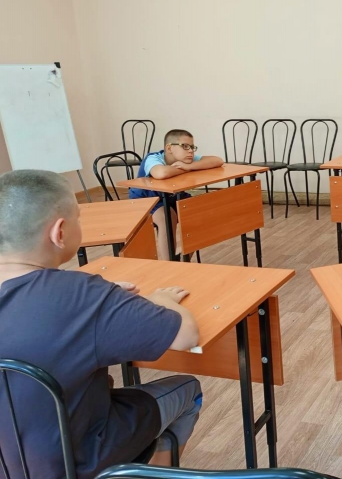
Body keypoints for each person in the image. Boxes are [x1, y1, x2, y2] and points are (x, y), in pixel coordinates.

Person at [0, 170, 202, 478]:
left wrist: (105, 300)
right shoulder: (81, 295)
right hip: (72, 463)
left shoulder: (81, 296)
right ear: (60, 232)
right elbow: (186, 336)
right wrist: (162, 300)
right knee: (189, 390)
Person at [128, 129, 223, 260]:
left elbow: (218, 160)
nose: (191, 151)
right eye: (185, 146)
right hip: (147, 199)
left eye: (192, 147)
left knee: (198, 211)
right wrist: (186, 169)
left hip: (171, 196)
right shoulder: (153, 158)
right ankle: (169, 263)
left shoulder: (186, 160)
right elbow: (161, 173)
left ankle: (184, 259)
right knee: (168, 216)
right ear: (169, 148)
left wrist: (189, 166)